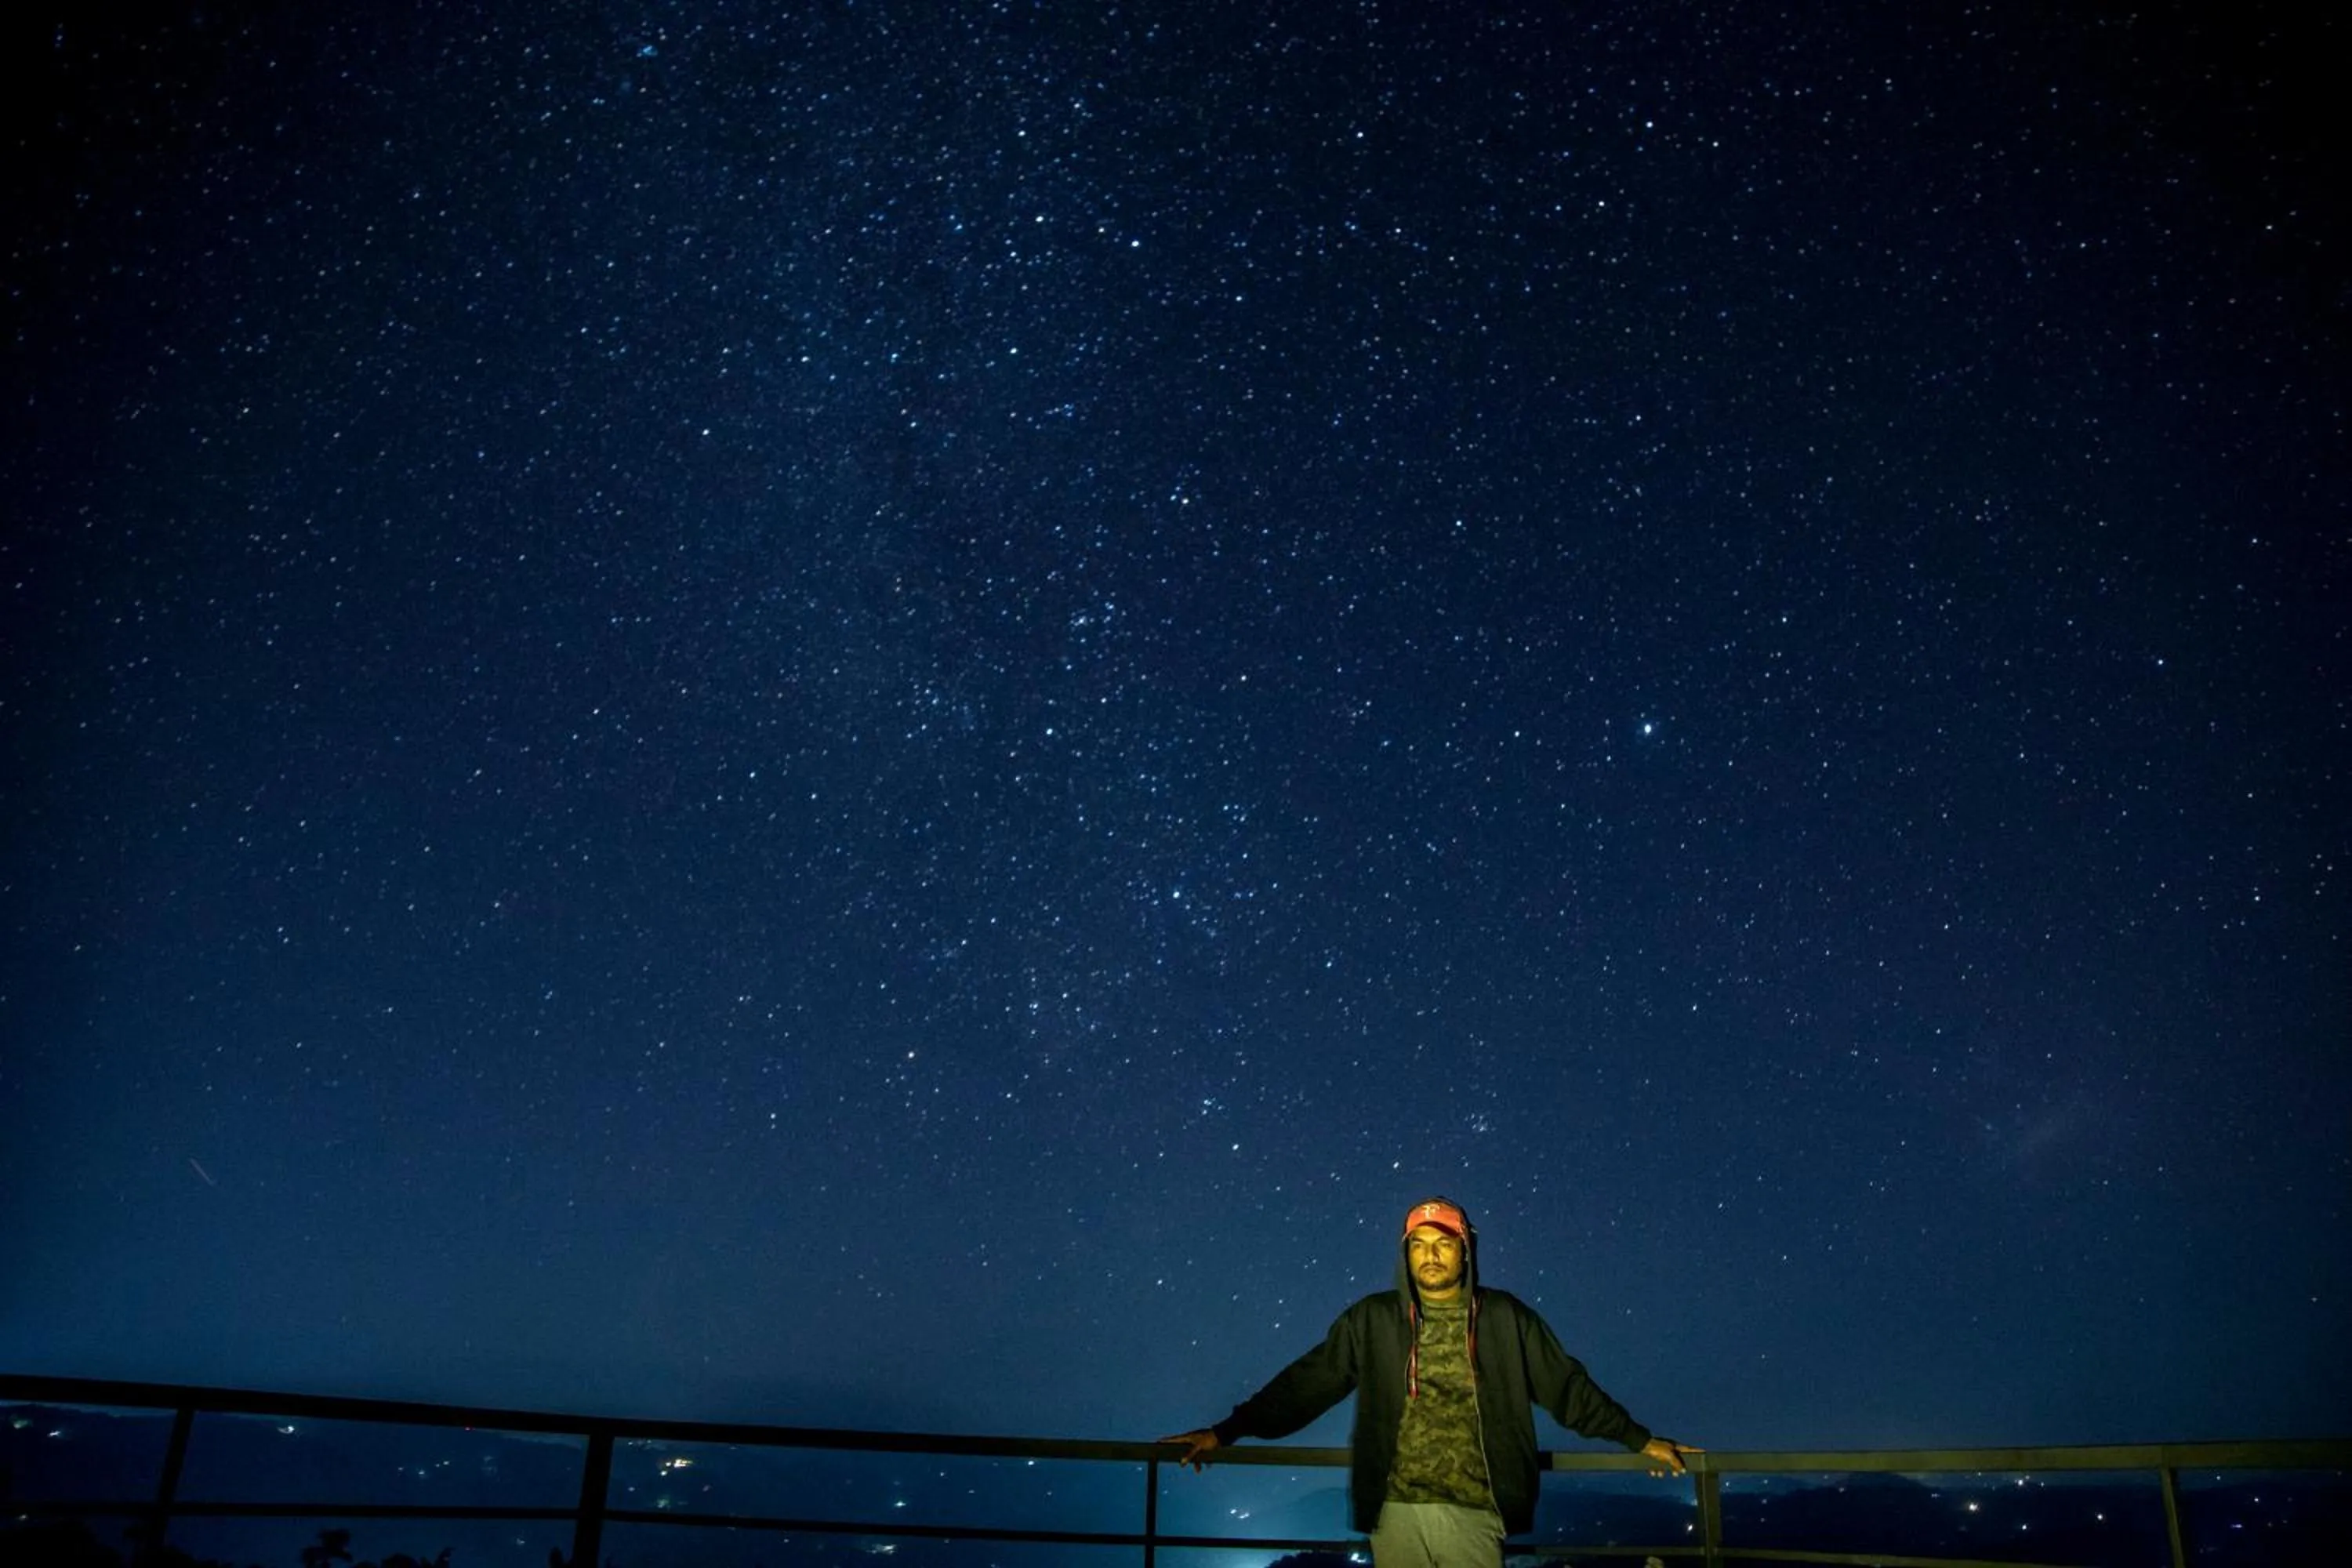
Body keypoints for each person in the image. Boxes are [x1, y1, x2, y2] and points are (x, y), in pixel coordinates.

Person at [1158, 1197, 1697, 1568]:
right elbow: (1306, 1384)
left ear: (1466, 1250)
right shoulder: (1373, 1321)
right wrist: (1226, 1431)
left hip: (1478, 1511)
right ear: (1405, 1254)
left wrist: (1638, 1439)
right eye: (1418, 1245)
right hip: (1395, 1512)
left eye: (1443, 1242)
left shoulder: (1506, 1319)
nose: (1430, 1254)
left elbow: (1568, 1389)